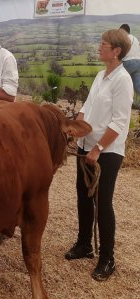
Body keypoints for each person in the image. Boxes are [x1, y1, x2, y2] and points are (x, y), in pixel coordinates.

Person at [65, 29, 133, 282]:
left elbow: (119, 122)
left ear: (116, 51)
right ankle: (85, 245)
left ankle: (108, 259)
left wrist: (98, 149)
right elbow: (86, 108)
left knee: (103, 204)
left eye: (103, 44)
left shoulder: (122, 80)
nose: (99, 47)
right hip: (86, 146)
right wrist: (73, 129)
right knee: (83, 197)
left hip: (107, 152)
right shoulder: (100, 76)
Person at [119, 24, 140, 94]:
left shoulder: (124, 38)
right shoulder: (135, 38)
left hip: (128, 62)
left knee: (118, 82)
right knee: (138, 87)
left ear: (123, 30)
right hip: (138, 63)